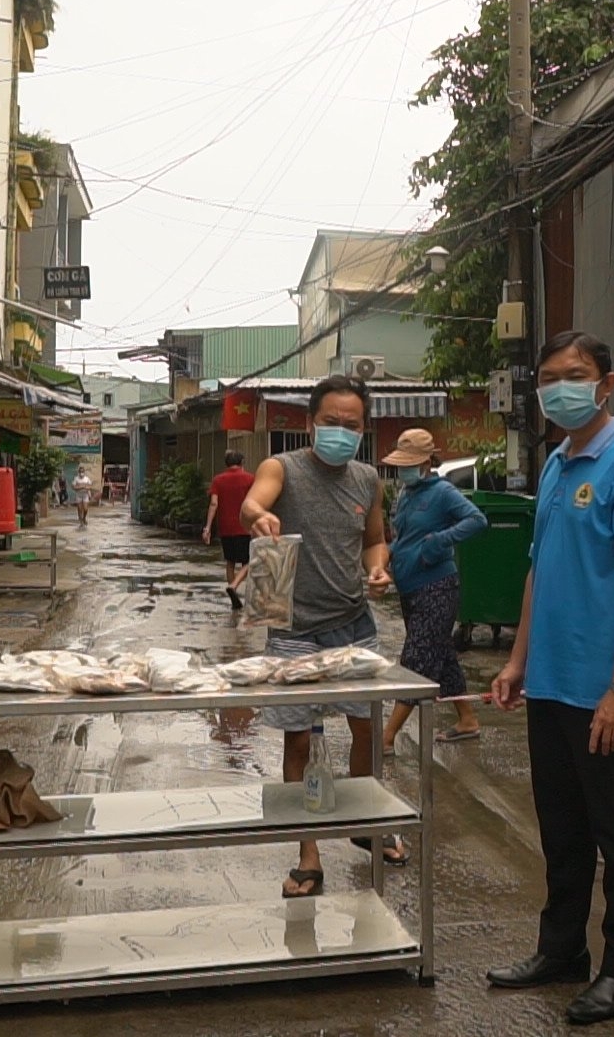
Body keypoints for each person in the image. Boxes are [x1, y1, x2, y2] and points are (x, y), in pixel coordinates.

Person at [485, 330, 614, 1027]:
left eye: (576, 374)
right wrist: (517, 661)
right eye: (550, 378)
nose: (561, 388)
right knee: (562, 831)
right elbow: (540, 570)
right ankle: (561, 951)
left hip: (601, 692)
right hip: (549, 683)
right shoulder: (558, 463)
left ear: (606, 384)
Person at [239, 375, 405, 895]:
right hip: (293, 629)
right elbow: (252, 504)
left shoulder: (368, 479)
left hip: (354, 623)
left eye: (351, 424)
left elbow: (374, 540)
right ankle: (308, 853)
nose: (340, 430)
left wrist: (377, 567)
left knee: (366, 731)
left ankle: (364, 822)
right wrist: (259, 515)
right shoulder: (282, 468)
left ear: (363, 429)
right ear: (311, 423)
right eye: (331, 421)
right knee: (299, 740)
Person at [378, 429, 487, 748]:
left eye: (408, 464)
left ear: (426, 463)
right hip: (409, 587)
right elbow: (403, 537)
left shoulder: (443, 492)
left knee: (417, 657)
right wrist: (387, 559)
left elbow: (477, 520)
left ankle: (387, 736)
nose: (403, 470)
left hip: (437, 587)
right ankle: (467, 719)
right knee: (440, 653)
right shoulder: (405, 494)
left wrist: (439, 542)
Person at [203, 450, 255, 609]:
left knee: (230, 561)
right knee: (249, 561)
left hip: (225, 527)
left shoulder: (218, 480)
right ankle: (236, 587)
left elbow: (214, 503)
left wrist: (208, 527)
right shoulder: (250, 479)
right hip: (245, 527)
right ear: (242, 463)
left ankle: (234, 594)